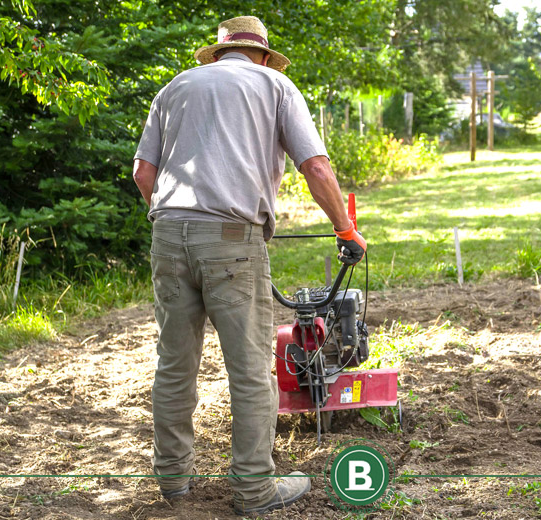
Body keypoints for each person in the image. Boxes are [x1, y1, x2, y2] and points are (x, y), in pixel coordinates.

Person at [131, 15, 366, 515]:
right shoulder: (275, 85)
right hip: (233, 239)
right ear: (261, 54)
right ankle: (254, 490)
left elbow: (143, 172)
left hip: (168, 234)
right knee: (251, 370)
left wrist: (173, 219)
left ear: (219, 53)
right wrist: (345, 228)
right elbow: (316, 167)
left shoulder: (174, 88)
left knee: (174, 366)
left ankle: (173, 484)